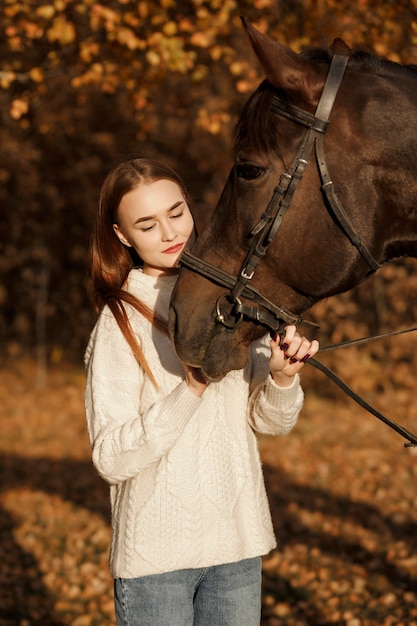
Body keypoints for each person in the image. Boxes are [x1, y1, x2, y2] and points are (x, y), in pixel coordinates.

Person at [84, 155, 319, 626]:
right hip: (156, 566)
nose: (170, 233)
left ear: (192, 208)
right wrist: (189, 390)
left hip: (236, 549)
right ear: (122, 236)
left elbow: (270, 423)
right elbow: (110, 458)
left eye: (176, 213)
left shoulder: (232, 302)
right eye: (147, 224)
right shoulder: (120, 322)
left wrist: (282, 374)